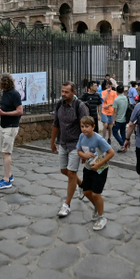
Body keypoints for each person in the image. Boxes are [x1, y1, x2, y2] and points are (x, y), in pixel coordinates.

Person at [51, 82, 90, 217]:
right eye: (62, 91)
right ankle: (82, 184)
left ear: (74, 93)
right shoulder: (59, 104)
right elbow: (56, 124)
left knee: (72, 173)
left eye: (66, 92)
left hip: (76, 145)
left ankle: (66, 204)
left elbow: (87, 129)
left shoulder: (80, 106)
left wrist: (85, 150)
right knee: (64, 170)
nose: (63, 94)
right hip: (63, 143)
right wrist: (52, 141)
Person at [76, 116, 115, 230]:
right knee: (87, 192)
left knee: (95, 194)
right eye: (82, 126)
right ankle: (97, 207)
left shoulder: (99, 139)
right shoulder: (81, 136)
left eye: (87, 126)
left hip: (100, 169)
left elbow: (111, 153)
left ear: (93, 127)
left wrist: (99, 164)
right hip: (88, 168)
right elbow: (79, 151)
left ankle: (102, 217)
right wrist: (84, 155)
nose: (84, 129)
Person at [0, 73, 23, 190]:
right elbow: (7, 107)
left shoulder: (15, 94)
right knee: (4, 152)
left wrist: (3, 113)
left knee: (6, 152)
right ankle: (9, 175)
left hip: (10, 126)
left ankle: (6, 180)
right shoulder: (6, 93)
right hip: (4, 125)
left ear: (4, 82)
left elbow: (19, 111)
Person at [110, 84, 129, 151]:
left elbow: (115, 112)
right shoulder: (126, 98)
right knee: (123, 132)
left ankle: (122, 144)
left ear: (116, 91)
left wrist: (113, 120)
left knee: (114, 131)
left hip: (118, 119)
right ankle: (124, 145)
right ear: (123, 90)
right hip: (124, 118)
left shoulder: (116, 100)